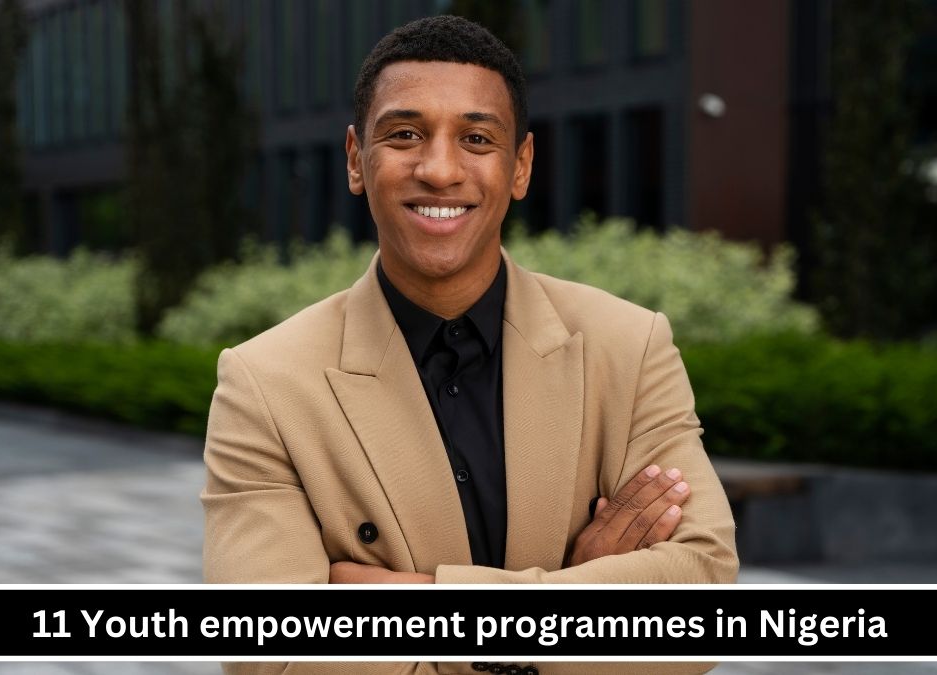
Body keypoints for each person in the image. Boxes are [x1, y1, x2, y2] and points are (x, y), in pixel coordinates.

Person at [202, 15, 738, 675]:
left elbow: (703, 603)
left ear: (521, 166)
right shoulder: (264, 382)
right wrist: (574, 597)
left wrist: (428, 602)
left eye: (476, 137)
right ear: (354, 160)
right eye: (404, 134)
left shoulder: (628, 346)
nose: (439, 168)